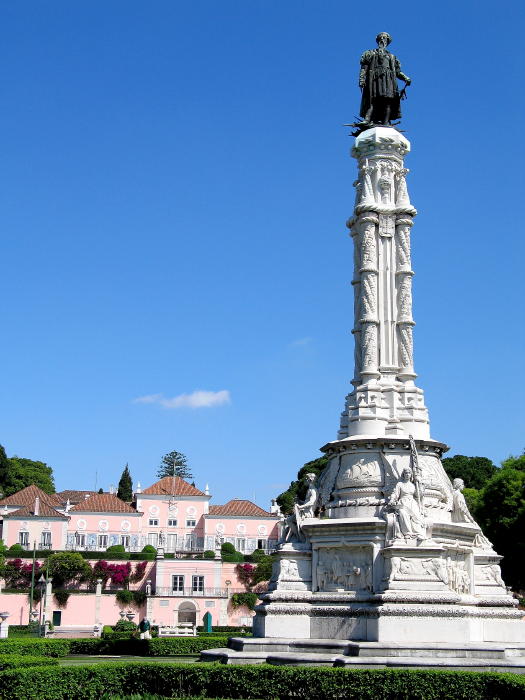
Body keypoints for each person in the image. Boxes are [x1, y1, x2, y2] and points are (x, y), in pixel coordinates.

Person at [358, 32, 411, 126]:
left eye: (384, 38)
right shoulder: (370, 53)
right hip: (374, 79)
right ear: (378, 41)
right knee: (373, 99)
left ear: (387, 42)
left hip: (388, 80)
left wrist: (405, 78)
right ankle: (368, 119)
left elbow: (398, 72)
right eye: (381, 38)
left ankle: (385, 122)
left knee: (388, 101)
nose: (382, 40)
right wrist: (361, 79)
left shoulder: (392, 57)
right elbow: (364, 68)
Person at [389, 468, 426, 540]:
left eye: (409, 473)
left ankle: (418, 533)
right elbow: (395, 494)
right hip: (403, 503)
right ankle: (408, 533)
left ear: (411, 474)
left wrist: (420, 483)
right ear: (403, 474)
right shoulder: (400, 484)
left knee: (416, 516)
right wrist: (392, 500)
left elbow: (419, 495)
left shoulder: (414, 485)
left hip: (412, 503)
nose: (407, 474)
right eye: (406, 473)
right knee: (403, 514)